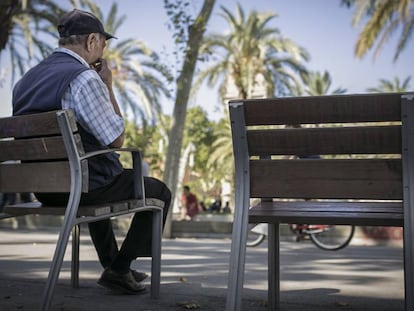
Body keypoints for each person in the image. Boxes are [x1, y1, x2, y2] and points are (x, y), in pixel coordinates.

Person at [12, 9, 171, 295]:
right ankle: (120, 269)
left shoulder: (24, 81)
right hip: (80, 185)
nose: (103, 50)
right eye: (103, 44)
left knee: (92, 180)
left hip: (43, 188)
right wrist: (107, 84)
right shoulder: (84, 78)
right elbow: (116, 139)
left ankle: (113, 264)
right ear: (92, 41)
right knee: (158, 191)